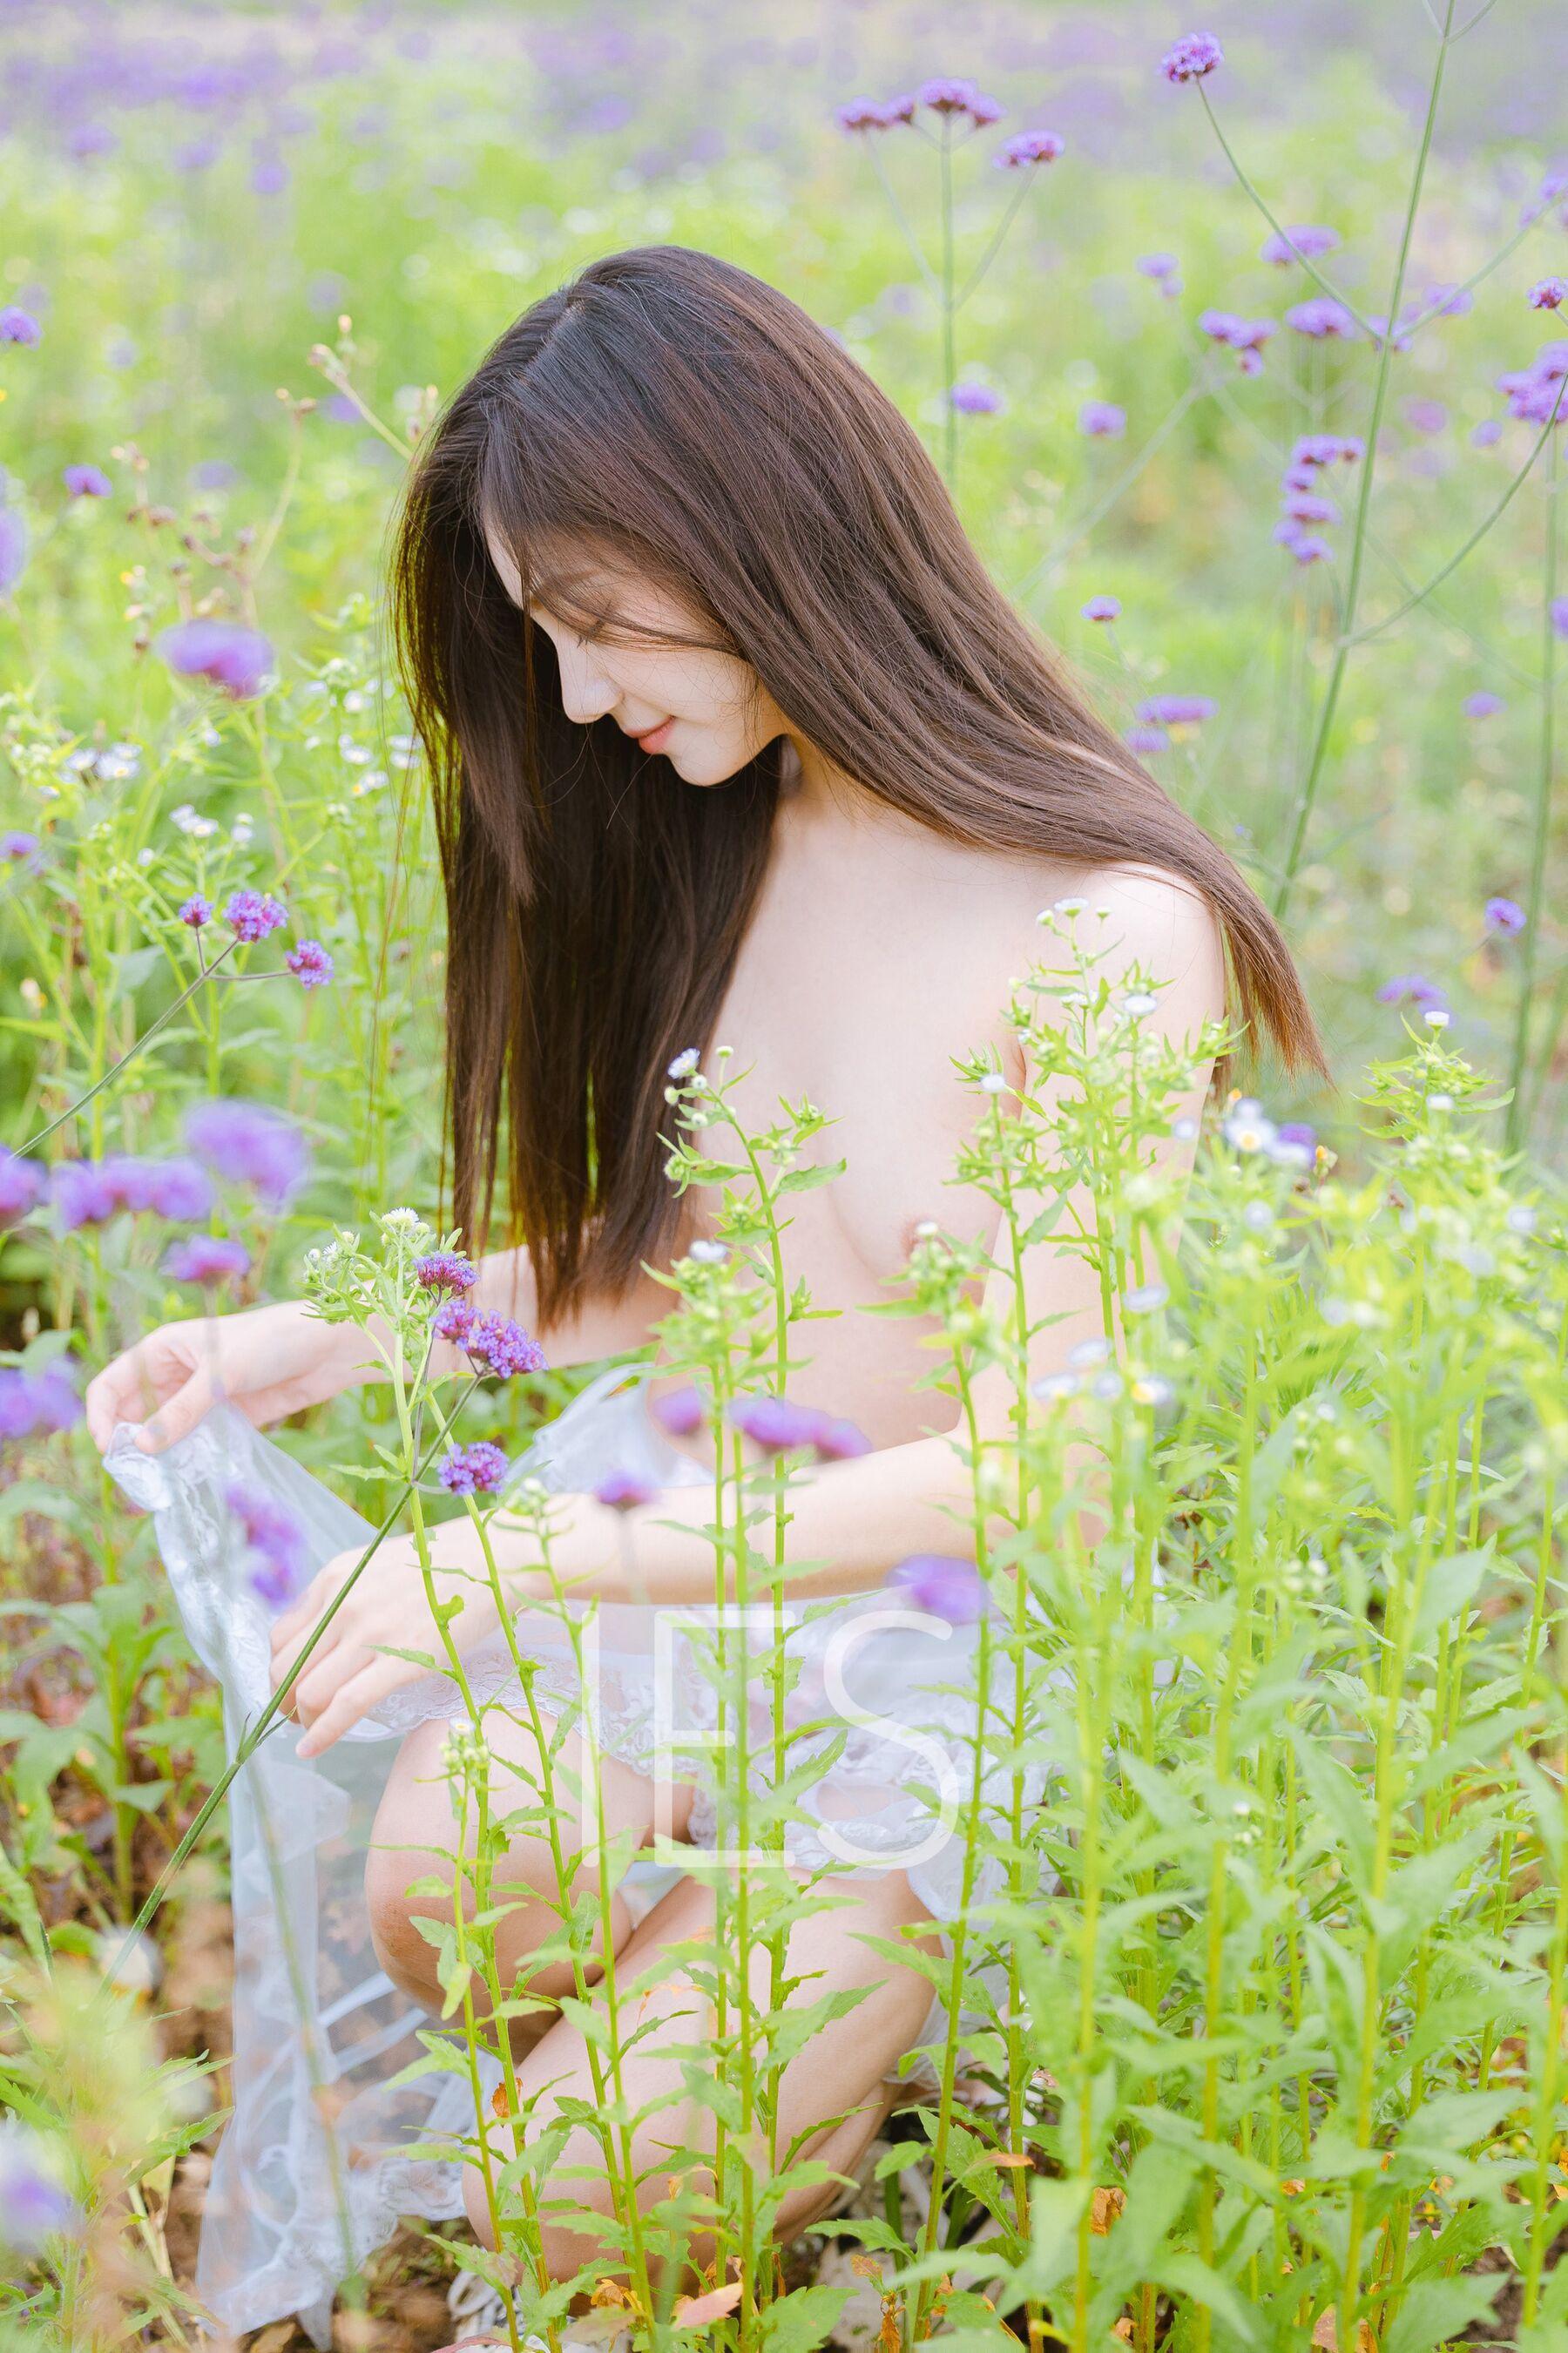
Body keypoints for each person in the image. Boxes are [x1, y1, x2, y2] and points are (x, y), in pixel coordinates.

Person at [86, 244, 1326, 2334]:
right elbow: (688, 1258)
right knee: (453, 1890)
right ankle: (719, 2066)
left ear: (754, 527)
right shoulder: (746, 819)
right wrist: (337, 1333)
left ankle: (797, 2080)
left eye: (595, 621)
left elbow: (1056, 1465)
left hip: (931, 1645)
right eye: (544, 640)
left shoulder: (1107, 933)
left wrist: (525, 1557)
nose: (578, 699)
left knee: (558, 2199)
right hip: (695, 1554)